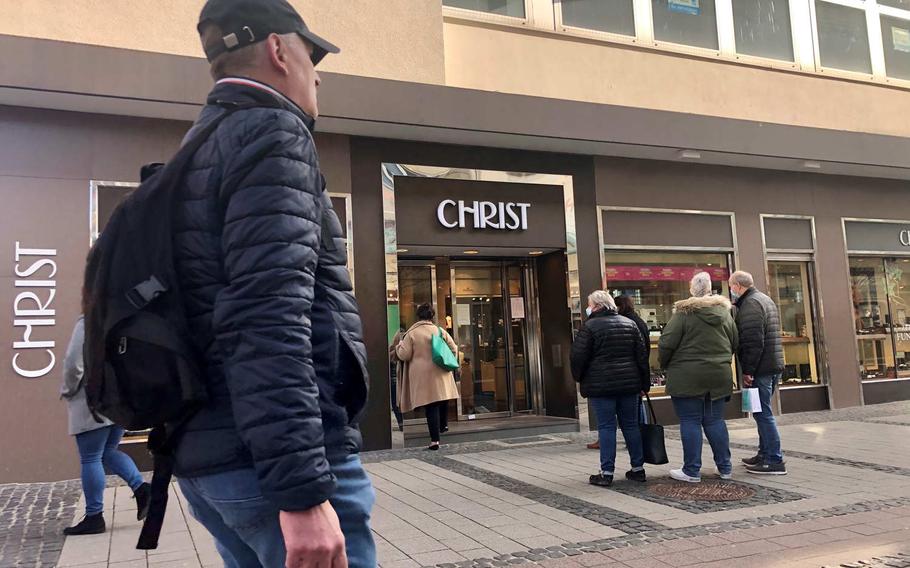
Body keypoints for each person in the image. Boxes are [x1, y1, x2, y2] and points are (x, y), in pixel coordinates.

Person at [171, 1, 375, 567]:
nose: (318, 73)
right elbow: (268, 317)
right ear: (279, 51)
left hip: (214, 459)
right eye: (312, 55)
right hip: (273, 470)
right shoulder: (272, 132)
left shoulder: (200, 144)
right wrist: (303, 492)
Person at [60, 300, 149, 535]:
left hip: (93, 398)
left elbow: (73, 363)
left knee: (90, 457)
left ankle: (94, 516)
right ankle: (142, 490)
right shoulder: (126, 319)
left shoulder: (90, 319)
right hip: (119, 398)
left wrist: (69, 390)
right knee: (108, 451)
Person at [659, 272, 738, 483]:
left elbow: (666, 343)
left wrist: (665, 364)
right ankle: (725, 467)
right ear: (711, 288)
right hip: (718, 375)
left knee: (690, 420)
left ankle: (692, 470)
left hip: (687, 376)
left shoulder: (683, 314)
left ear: (691, 289)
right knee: (714, 421)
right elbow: (734, 341)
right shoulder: (724, 314)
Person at [571, 291, 650, 487]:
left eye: (589, 304)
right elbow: (641, 357)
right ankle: (638, 469)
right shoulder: (629, 323)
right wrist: (644, 384)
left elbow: (578, 357)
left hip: (601, 386)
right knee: (631, 426)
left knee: (606, 428)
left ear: (596, 306)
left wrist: (580, 378)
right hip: (628, 385)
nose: (588, 308)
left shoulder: (589, 327)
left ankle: (606, 472)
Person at [729, 270, 787, 475]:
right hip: (771, 365)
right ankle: (764, 453)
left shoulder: (751, 304)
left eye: (731, 286)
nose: (731, 291)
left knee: (763, 414)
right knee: (761, 412)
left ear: (738, 286)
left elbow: (753, 341)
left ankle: (774, 459)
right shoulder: (763, 299)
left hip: (761, 368)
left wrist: (748, 371)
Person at [587, 295, 652, 451]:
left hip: (621, 377)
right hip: (631, 376)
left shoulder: (628, 322)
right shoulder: (634, 321)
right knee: (630, 420)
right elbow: (643, 353)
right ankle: (637, 464)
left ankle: (611, 463)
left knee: (613, 422)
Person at [396, 304, 459, 450]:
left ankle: (435, 441)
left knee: (431, 407)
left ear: (418, 316)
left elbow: (403, 355)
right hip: (440, 371)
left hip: (422, 376)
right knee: (442, 398)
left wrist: (399, 345)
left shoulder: (412, 333)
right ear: (432, 316)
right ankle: (443, 424)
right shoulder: (439, 330)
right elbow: (454, 348)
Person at [389, 327, 406, 431]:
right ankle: (401, 423)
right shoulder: (401, 350)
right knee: (399, 403)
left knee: (396, 403)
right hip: (401, 379)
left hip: (394, 380)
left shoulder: (391, 349)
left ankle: (401, 423)